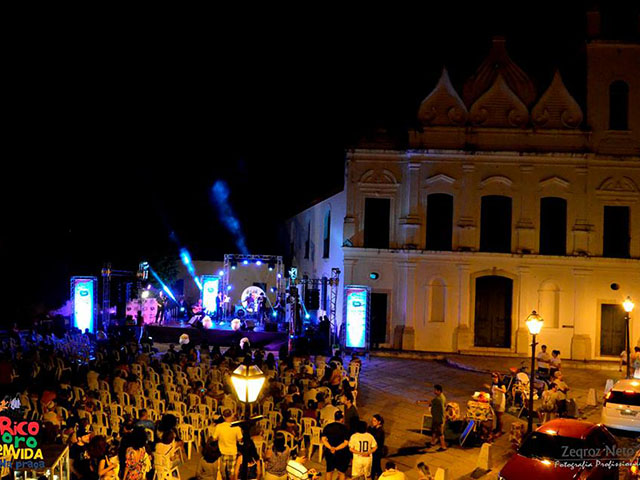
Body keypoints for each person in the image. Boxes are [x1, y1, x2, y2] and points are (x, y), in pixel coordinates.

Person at [214, 409, 243, 480]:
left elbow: (214, 438)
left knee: (221, 471)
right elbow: (240, 440)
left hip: (222, 452)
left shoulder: (219, 427)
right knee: (232, 472)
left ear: (223, 417)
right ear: (232, 415)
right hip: (232, 452)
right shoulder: (236, 427)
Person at [322, 411, 351, 480]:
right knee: (341, 472)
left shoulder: (327, 426)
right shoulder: (345, 428)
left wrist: (331, 448)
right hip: (341, 453)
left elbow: (323, 439)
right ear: (342, 419)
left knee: (329, 471)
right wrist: (336, 449)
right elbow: (345, 442)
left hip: (329, 452)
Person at [429, 385, 446, 451]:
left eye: (435, 390)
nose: (434, 392)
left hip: (438, 418)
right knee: (434, 429)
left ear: (439, 391)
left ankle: (443, 446)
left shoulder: (438, 399)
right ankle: (432, 442)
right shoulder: (443, 397)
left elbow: (431, 402)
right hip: (438, 417)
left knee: (440, 433)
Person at [368, 415, 385, 480]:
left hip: (377, 451)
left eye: (375, 421)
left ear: (379, 422)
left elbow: (375, 439)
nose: (373, 422)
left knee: (375, 466)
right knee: (376, 466)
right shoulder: (375, 429)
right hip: (376, 451)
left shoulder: (380, 431)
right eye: (372, 420)